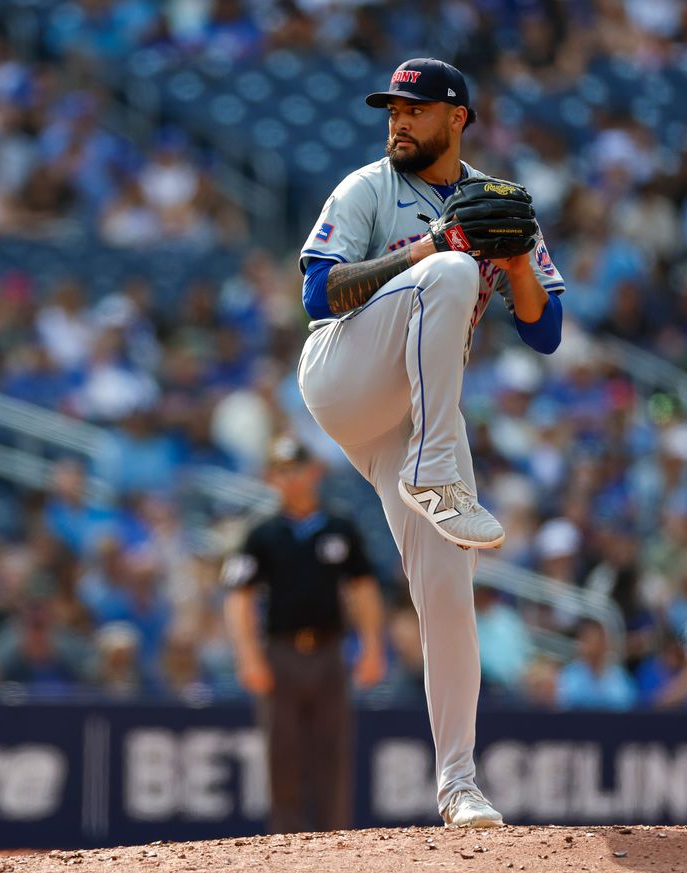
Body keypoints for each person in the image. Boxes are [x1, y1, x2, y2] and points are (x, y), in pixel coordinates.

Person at [295, 58, 566, 827]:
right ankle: (437, 470)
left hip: (416, 413)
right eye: (392, 109)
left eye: (414, 108)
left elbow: (545, 332)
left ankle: (458, 783)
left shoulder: (499, 202)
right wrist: (425, 250)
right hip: (346, 374)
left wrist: (515, 263)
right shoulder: (368, 187)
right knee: (447, 269)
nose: (398, 121)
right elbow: (317, 294)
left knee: (450, 591)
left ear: (458, 118)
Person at [222, 436, 385, 834]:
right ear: (272, 477)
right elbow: (237, 598)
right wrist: (247, 657)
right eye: (282, 470)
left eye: (297, 468)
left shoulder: (339, 528)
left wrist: (372, 648)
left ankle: (334, 839)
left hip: (330, 650)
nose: (291, 478)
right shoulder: (261, 534)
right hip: (280, 652)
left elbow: (363, 588)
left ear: (314, 472)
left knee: (333, 748)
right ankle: (285, 839)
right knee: (283, 750)